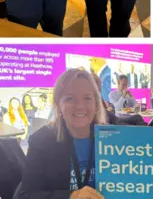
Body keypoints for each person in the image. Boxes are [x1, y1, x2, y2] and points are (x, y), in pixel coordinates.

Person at [17, 68, 106, 197]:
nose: (80, 106)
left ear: (96, 104)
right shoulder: (41, 141)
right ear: (58, 105)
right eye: (70, 98)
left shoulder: (112, 138)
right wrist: (70, 196)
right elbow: (25, 195)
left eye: (87, 98)